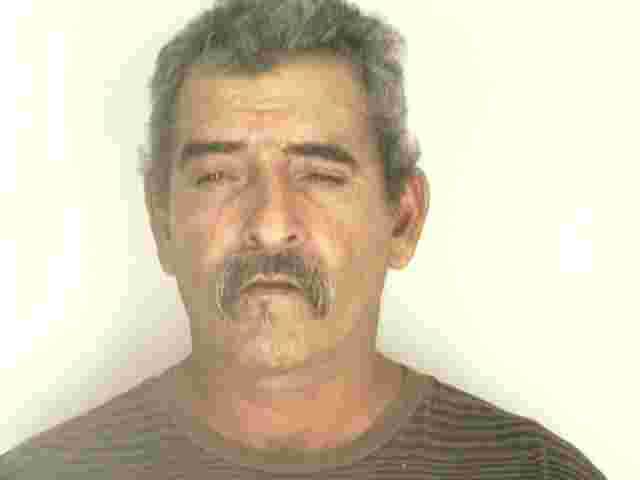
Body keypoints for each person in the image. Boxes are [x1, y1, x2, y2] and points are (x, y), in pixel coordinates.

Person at [1, 0, 607, 478]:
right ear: (161, 222)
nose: (269, 224)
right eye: (218, 176)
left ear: (402, 219)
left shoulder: (535, 473)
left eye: (319, 175)